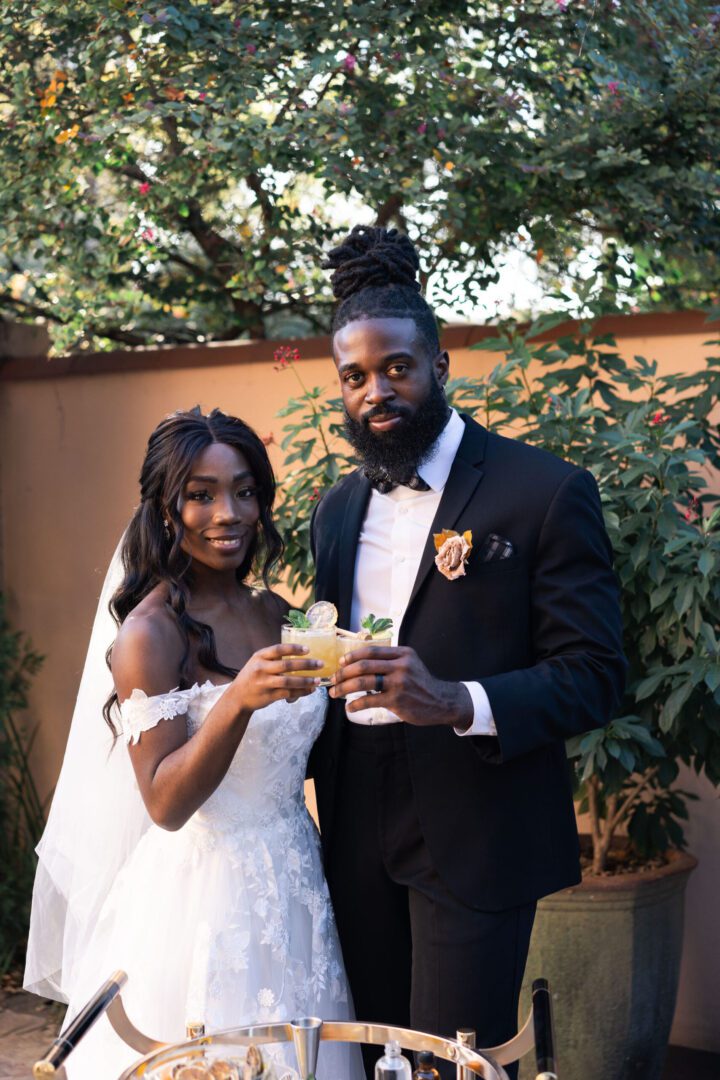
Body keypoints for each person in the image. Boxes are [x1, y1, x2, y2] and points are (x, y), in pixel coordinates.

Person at [309, 226, 627, 1078]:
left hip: (476, 817)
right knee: (372, 1051)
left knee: (453, 1062)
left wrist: (457, 700)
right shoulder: (336, 510)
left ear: (439, 363)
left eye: (397, 368)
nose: (377, 390)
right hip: (351, 820)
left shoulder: (546, 491)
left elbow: (596, 674)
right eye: (355, 376)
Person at [25, 407, 363, 1080]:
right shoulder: (151, 635)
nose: (228, 513)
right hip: (206, 905)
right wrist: (238, 699)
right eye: (201, 495)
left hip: (296, 886)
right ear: (165, 508)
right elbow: (165, 803)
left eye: (243, 491)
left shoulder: (275, 614)